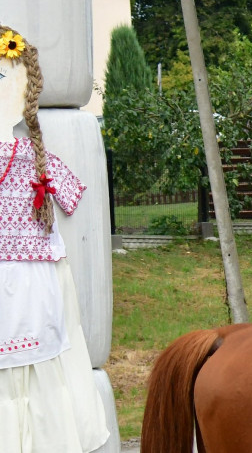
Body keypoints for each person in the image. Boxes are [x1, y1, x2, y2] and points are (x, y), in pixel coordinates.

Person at [0, 27, 110, 452]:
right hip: (31, 282)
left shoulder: (35, 159)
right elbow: (73, 192)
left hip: (31, 284)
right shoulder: (35, 159)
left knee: (35, 367)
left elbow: (71, 192)